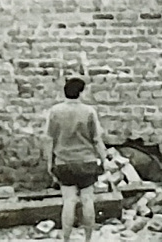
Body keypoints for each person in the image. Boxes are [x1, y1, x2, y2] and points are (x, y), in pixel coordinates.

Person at [43, 75, 107, 242]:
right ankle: (88, 238)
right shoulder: (89, 112)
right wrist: (104, 159)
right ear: (81, 93)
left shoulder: (55, 112)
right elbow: (97, 140)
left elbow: (49, 139)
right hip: (87, 162)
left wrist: (50, 162)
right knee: (87, 200)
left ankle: (66, 239)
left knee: (69, 201)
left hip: (64, 163)